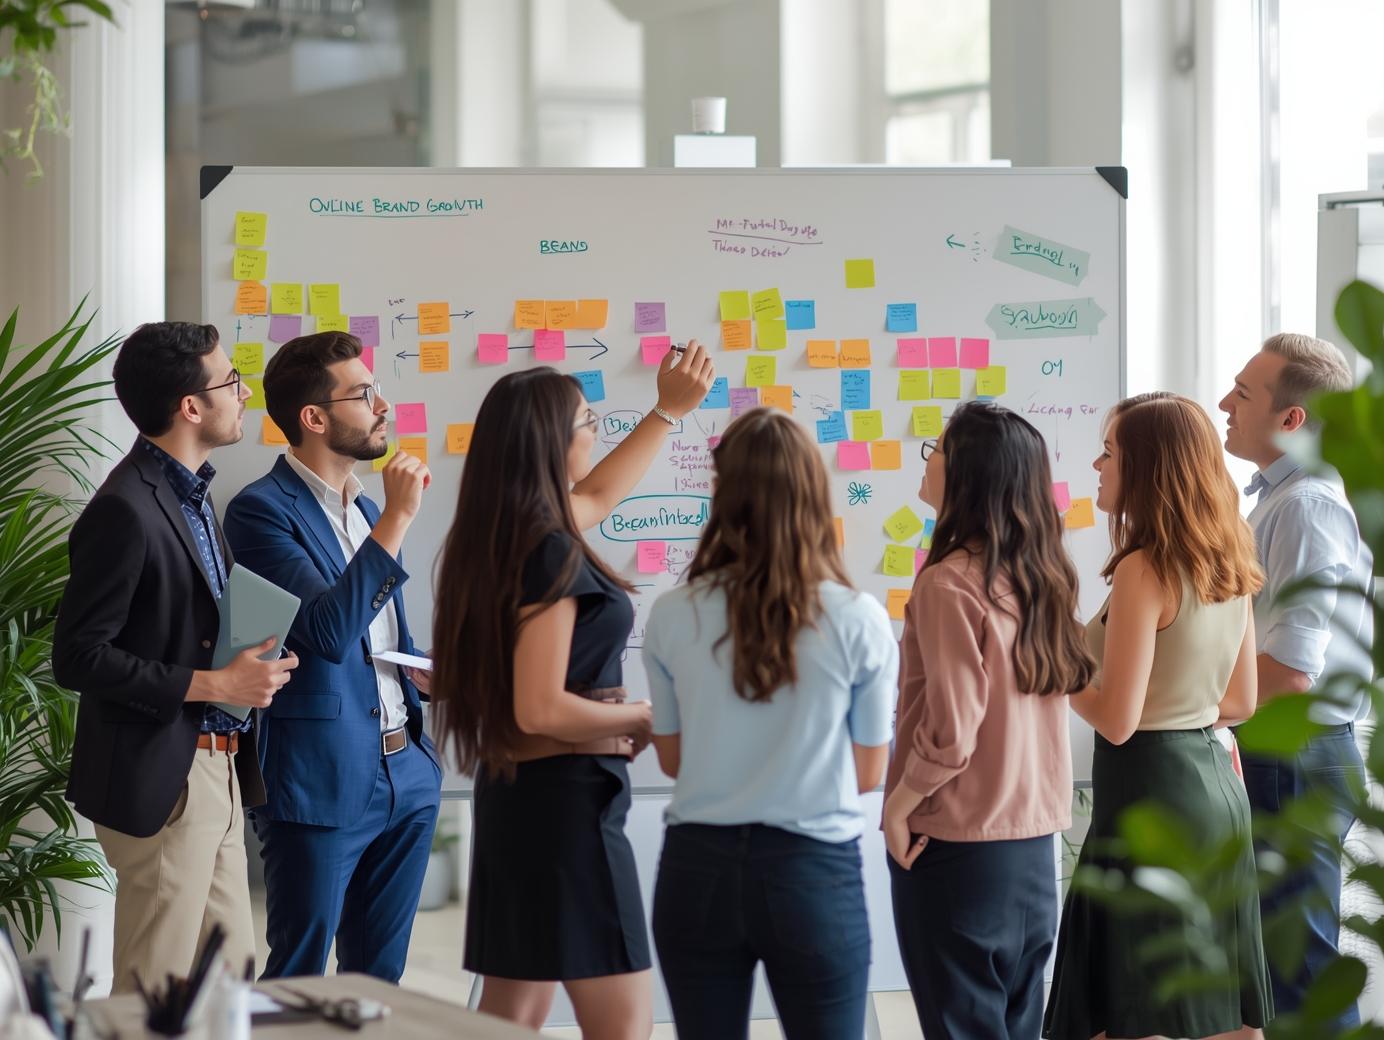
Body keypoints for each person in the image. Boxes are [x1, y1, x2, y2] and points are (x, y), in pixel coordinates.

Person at [430, 344, 714, 1040]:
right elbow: (540, 706)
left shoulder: (515, 534)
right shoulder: (549, 550)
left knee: (511, 1014)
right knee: (621, 1024)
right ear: (552, 443)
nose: (596, 431)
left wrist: (668, 411)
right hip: (566, 814)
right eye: (588, 421)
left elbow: (601, 494)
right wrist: (642, 715)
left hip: (525, 800)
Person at [52, 322, 298, 994]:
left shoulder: (192, 496)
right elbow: (77, 656)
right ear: (191, 406)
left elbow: (176, 628)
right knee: (153, 993)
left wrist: (247, 668)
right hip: (165, 775)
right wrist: (212, 681)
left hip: (215, 769)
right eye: (230, 382)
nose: (244, 394)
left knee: (229, 985)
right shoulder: (125, 508)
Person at [641, 408, 896, 1040]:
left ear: (722, 494)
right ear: (813, 495)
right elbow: (870, 773)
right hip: (813, 873)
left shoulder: (673, 614)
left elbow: (672, 761)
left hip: (697, 870)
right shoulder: (858, 617)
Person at [1044, 392, 1272, 1040]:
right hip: (1215, 791)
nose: (1096, 463)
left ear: (1147, 465)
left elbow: (1118, 720)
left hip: (1150, 795)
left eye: (1110, 451)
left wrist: (1057, 671)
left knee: (1135, 1008)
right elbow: (1241, 703)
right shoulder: (1229, 551)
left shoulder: (1146, 568)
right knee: (1214, 1005)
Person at [222, 331, 442, 982]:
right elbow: (324, 630)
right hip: (321, 779)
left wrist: (426, 668)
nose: (383, 406)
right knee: (299, 977)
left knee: (380, 981)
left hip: (407, 771)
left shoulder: (365, 508)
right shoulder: (260, 512)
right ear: (314, 418)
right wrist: (397, 520)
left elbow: (378, 634)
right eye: (365, 393)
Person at [881, 402, 1094, 1040]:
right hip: (1034, 851)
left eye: (938, 448)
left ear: (970, 473)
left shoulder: (948, 584)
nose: (929, 459)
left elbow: (952, 729)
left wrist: (897, 807)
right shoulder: (1044, 579)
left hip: (957, 846)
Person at [1219, 333, 1372, 1031]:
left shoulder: (1305, 506)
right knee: (1278, 970)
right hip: (1285, 753)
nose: (1224, 403)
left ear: (1292, 420)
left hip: (1297, 757)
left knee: (1299, 977)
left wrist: (1193, 710)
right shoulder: (1281, 501)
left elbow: (1290, 671)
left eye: (1243, 394)